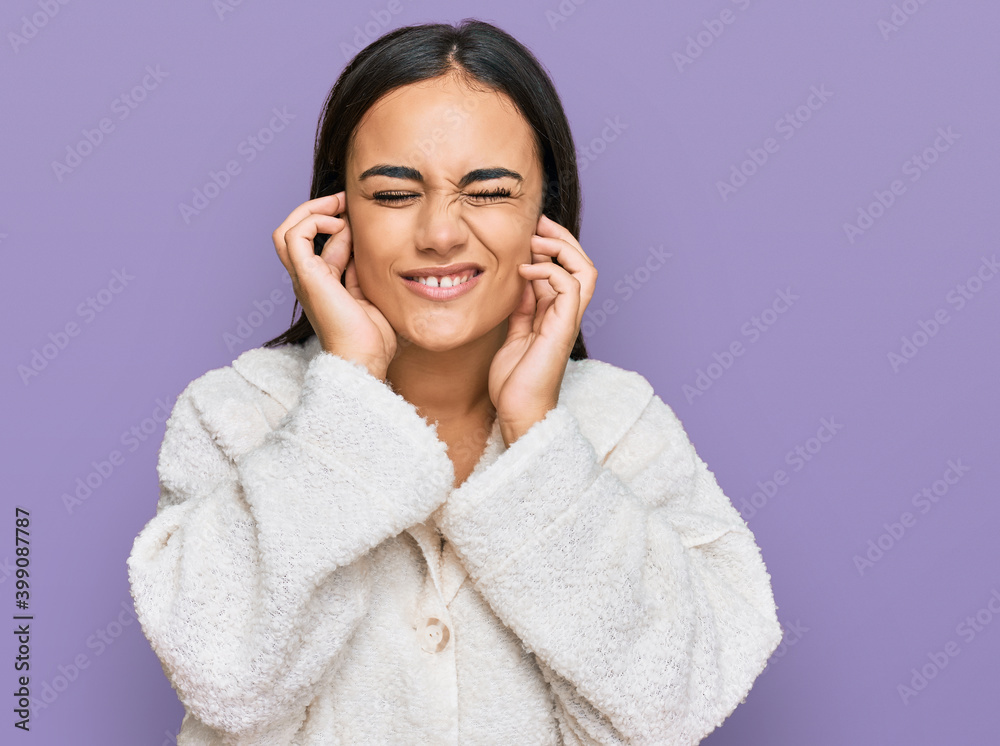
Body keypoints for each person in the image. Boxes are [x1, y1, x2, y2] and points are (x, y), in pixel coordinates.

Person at [127, 18, 782, 745]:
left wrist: (536, 431)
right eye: (393, 194)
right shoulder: (234, 415)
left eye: (490, 190)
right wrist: (349, 391)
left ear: (545, 217)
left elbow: (674, 704)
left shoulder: (623, 425)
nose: (441, 233)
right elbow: (225, 682)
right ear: (335, 216)